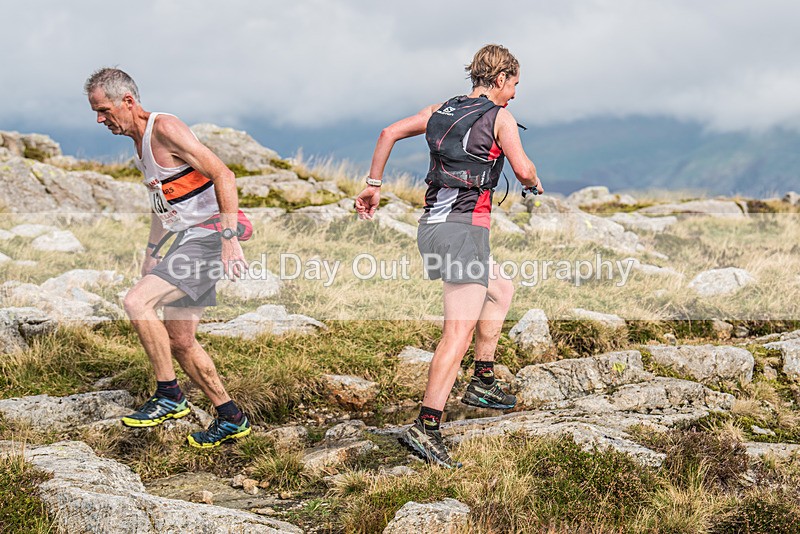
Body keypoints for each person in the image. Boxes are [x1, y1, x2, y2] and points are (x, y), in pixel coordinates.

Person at [355, 44, 543, 468]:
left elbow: (387, 133)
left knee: (501, 289)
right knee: (456, 333)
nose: (514, 93)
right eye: (513, 84)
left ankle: (482, 381)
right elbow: (525, 169)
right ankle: (427, 425)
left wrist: (374, 184)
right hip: (463, 231)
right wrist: (533, 182)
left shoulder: (440, 110)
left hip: (433, 229)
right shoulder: (499, 117)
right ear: (499, 79)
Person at [85, 68, 251, 448]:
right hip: (186, 239)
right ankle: (230, 417)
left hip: (209, 235)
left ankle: (169, 395)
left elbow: (224, 175)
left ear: (128, 101)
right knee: (181, 340)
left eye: (104, 109)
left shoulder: (165, 128)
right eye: (96, 112)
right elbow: (163, 205)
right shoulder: (139, 144)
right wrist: (151, 252)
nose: (99, 119)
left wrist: (228, 239)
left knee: (136, 301)